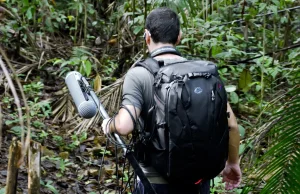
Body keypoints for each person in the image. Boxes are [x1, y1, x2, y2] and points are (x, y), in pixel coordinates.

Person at [101, 7, 242, 194]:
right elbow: (232, 125)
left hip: (155, 180)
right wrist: (232, 163)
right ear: (179, 37)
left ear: (147, 36)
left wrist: (109, 124)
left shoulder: (139, 74)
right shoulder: (203, 74)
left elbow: (125, 126)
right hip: (198, 181)